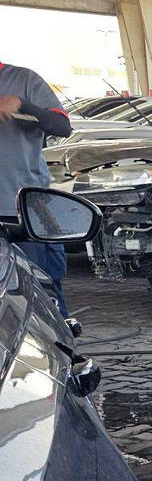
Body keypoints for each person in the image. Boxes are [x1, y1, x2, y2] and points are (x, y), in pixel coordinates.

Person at [0, 63, 74, 316]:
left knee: (41, 292)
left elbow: (62, 127)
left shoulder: (23, 80)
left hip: (25, 209)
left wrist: (22, 104)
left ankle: (60, 351)